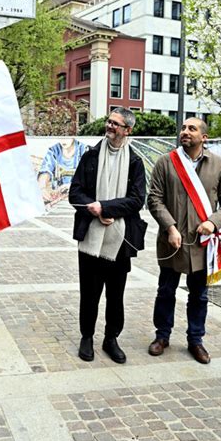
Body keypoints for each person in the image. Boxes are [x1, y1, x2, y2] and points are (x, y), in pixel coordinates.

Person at [147, 117, 221, 364]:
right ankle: (162, 336)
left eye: (192, 129)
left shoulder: (218, 165)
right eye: (184, 128)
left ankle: (195, 340)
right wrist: (170, 227)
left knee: (199, 296)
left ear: (203, 137)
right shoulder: (166, 163)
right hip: (172, 241)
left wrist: (213, 222)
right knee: (165, 291)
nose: (185, 132)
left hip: (202, 244)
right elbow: (154, 199)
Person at [69, 107, 147, 364]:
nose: (109, 126)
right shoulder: (90, 156)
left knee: (116, 294)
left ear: (128, 130)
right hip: (91, 236)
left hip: (119, 240)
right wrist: (94, 209)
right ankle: (87, 337)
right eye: (109, 121)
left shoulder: (135, 161)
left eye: (116, 124)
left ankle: (111, 338)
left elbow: (137, 199)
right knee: (89, 293)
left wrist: (106, 207)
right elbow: (75, 193)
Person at [38, 137, 87, 202]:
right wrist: (42, 187)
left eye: (67, 137)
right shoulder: (53, 151)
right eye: (60, 136)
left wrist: (72, 186)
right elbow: (45, 170)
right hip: (60, 199)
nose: (63, 140)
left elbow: (91, 178)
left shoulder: (85, 150)